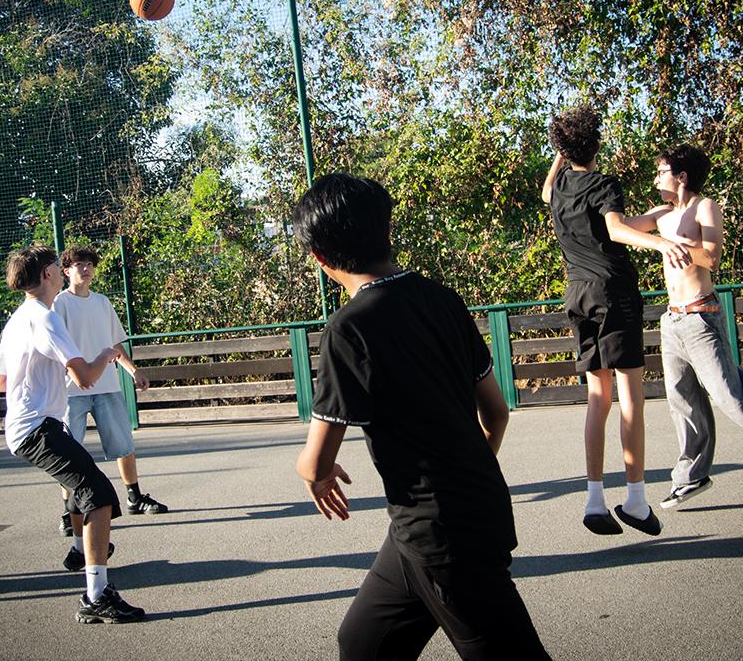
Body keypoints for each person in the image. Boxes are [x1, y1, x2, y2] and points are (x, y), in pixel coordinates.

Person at [293, 173, 550, 660]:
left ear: (321, 260)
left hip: (441, 534)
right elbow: (496, 411)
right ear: (387, 231)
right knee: (364, 643)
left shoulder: (349, 330)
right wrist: (470, 464)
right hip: (439, 520)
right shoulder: (442, 298)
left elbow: (316, 460)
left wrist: (312, 473)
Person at [541, 104, 690, 536]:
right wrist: (661, 244)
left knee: (598, 399)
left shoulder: (561, 186)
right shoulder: (604, 183)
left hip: (578, 294)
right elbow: (618, 232)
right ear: (598, 143)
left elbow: (555, 195)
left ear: (564, 150)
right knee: (632, 398)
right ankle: (637, 500)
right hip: (614, 294)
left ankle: (593, 501)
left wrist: (659, 216)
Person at [0, 246, 145, 623]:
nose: (61, 270)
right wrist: (107, 355)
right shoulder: (46, 319)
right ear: (46, 276)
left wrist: (35, 373)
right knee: (100, 495)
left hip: (29, 426)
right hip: (37, 428)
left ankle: (79, 553)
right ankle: (96, 595)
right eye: (56, 266)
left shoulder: (18, 319)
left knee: (79, 489)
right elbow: (86, 378)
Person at [624, 144, 743, 508]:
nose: (656, 178)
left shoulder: (705, 207)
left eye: (661, 172)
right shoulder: (662, 213)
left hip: (702, 316)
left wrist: (675, 245)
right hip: (672, 319)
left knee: (728, 396)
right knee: (683, 401)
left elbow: (712, 256)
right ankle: (691, 477)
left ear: (682, 177)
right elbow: (621, 227)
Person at [52, 247, 167, 542]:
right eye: (79, 264)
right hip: (70, 391)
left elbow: (115, 343)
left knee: (124, 445)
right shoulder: (59, 304)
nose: (86, 269)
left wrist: (133, 371)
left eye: (89, 264)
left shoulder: (102, 303)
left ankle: (134, 498)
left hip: (107, 387)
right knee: (68, 454)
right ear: (66, 271)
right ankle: (69, 513)